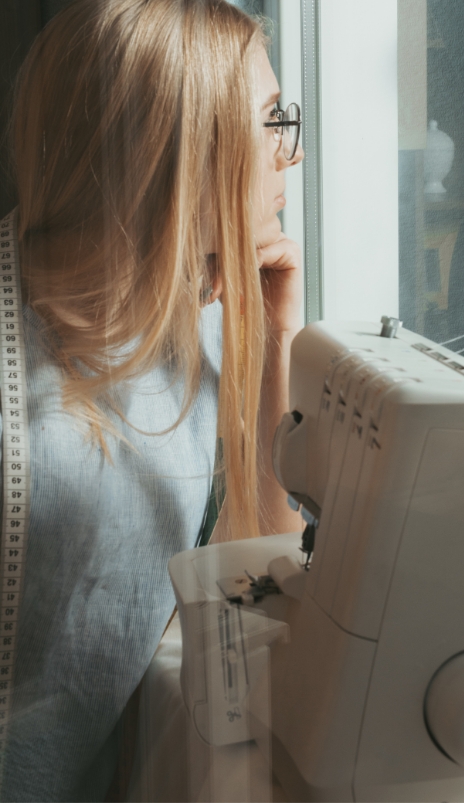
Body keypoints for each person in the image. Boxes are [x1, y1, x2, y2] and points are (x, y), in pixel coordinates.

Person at [1, 0, 303, 799]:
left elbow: (267, 568)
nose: (290, 155)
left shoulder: (185, 318)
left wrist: (276, 329)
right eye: (271, 123)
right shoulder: (34, 435)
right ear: (175, 158)